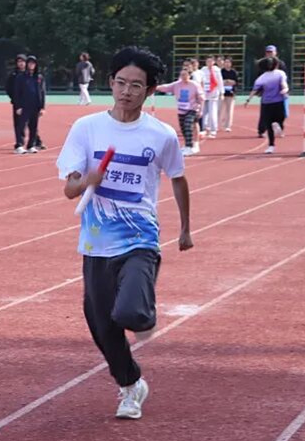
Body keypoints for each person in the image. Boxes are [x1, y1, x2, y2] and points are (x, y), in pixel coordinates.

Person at [56, 46, 193, 421]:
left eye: (136, 85)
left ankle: (142, 314)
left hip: (140, 237)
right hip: (96, 241)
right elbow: (69, 189)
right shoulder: (87, 128)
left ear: (150, 91)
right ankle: (131, 385)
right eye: (120, 82)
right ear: (110, 83)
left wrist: (185, 228)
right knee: (102, 326)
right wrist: (88, 180)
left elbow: (178, 178)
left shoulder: (161, 135)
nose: (126, 91)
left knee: (130, 310)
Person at [244, 57, 289, 154]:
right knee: (280, 118)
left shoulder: (261, 78)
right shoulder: (280, 73)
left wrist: (248, 100)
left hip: (266, 103)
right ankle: (278, 128)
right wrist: (285, 90)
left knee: (269, 125)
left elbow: (254, 90)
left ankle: (271, 145)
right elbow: (284, 85)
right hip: (278, 101)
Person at [157, 67, 205, 156]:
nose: (183, 77)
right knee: (183, 128)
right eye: (182, 75)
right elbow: (165, 87)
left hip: (192, 109)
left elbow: (202, 98)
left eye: (185, 75)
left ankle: (189, 146)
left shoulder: (194, 85)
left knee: (188, 125)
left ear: (189, 75)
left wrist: (201, 110)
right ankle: (187, 145)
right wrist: (154, 87)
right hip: (181, 110)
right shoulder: (177, 85)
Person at [14, 55, 46, 154]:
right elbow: (17, 92)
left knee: (34, 127)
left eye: (33, 63)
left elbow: (42, 93)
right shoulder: (21, 77)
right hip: (24, 106)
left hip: (35, 106)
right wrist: (18, 106)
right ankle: (19, 145)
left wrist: (42, 107)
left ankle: (31, 145)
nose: (31, 65)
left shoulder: (39, 77)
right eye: (30, 63)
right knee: (21, 126)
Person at [257, 45, 288, 137]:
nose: (269, 54)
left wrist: (284, 89)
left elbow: (284, 77)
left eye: (271, 52)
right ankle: (262, 130)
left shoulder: (281, 64)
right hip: (267, 92)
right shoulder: (262, 63)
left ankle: (279, 130)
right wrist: (259, 90)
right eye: (268, 52)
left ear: (275, 53)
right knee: (264, 113)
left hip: (279, 92)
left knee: (281, 113)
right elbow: (259, 77)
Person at [7, 53, 28, 152]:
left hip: (30, 102)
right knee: (19, 123)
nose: (21, 63)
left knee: (31, 123)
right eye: (19, 61)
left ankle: (36, 141)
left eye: (23, 61)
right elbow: (8, 88)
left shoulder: (30, 74)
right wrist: (14, 99)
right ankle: (19, 143)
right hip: (18, 103)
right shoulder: (13, 75)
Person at [200, 55, 224, 138]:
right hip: (204, 93)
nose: (209, 63)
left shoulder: (216, 70)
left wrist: (222, 93)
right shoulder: (203, 70)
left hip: (213, 93)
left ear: (214, 62)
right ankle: (204, 128)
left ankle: (213, 130)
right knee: (203, 112)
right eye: (207, 61)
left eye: (211, 61)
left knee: (212, 112)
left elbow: (220, 82)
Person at [219, 57, 238, 132]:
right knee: (219, 109)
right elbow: (220, 82)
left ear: (231, 63)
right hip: (222, 93)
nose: (227, 64)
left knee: (229, 110)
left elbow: (235, 82)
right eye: (225, 62)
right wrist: (226, 81)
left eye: (228, 62)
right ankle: (218, 125)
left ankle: (228, 126)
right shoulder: (221, 71)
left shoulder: (234, 72)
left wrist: (229, 81)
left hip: (231, 93)